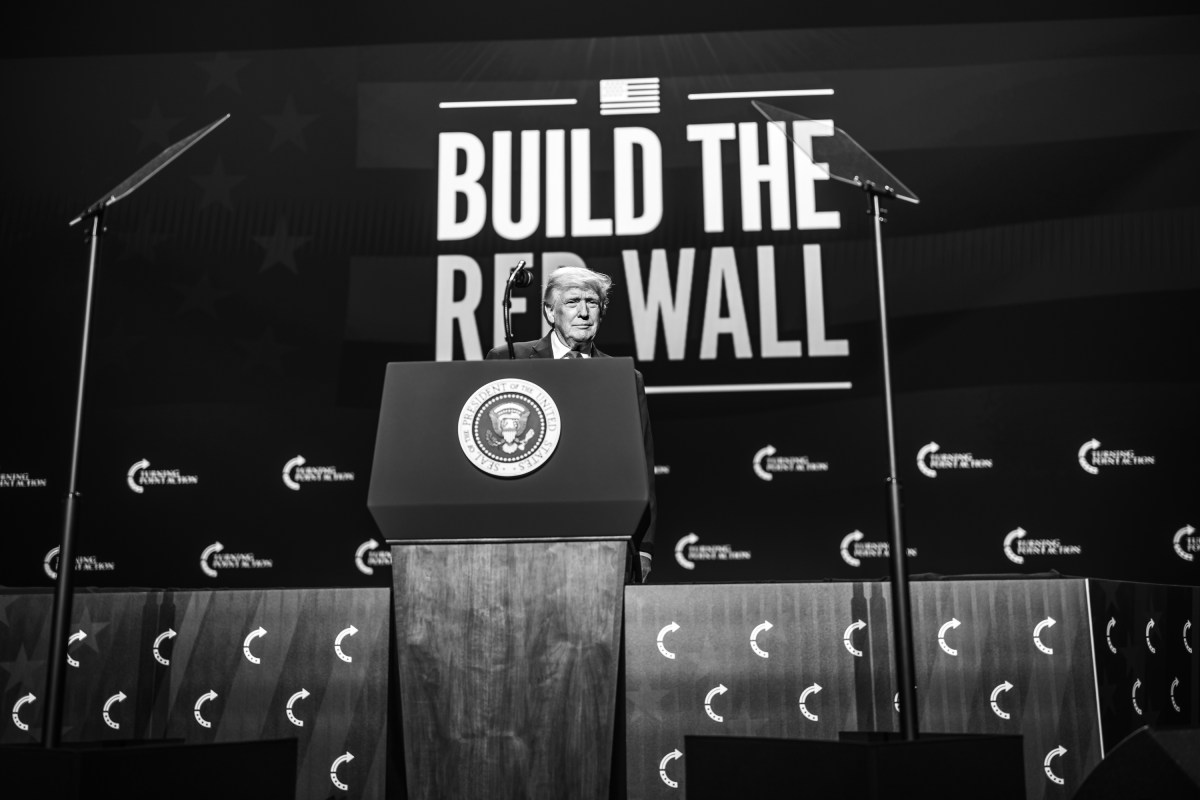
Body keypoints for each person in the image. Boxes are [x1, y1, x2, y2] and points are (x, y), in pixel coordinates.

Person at [486, 266, 657, 582]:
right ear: (550, 312)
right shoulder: (510, 359)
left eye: (592, 303)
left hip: (604, 534)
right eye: (573, 302)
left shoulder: (625, 378)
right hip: (526, 531)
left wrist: (644, 546)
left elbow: (641, 464)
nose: (584, 313)